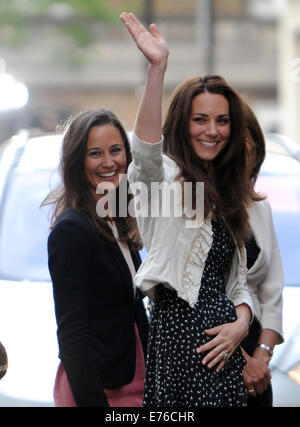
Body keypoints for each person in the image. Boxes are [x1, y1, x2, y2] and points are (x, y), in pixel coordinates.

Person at [120, 12, 255, 407]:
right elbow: (144, 154)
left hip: (224, 349)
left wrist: (241, 324)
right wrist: (157, 69)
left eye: (222, 121)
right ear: (184, 122)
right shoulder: (164, 178)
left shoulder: (229, 192)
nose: (211, 130)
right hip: (181, 342)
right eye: (200, 119)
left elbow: (238, 282)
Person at [45, 109, 149, 407]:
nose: (108, 162)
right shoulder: (72, 231)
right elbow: (72, 331)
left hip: (133, 377)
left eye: (116, 150)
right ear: (78, 163)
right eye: (95, 153)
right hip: (99, 390)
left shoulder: (115, 218)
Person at [241, 104, 284, 406]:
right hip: (208, 352)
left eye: (249, 143)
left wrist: (261, 356)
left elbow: (272, 293)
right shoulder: (193, 203)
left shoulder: (260, 208)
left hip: (257, 362)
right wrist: (243, 362)